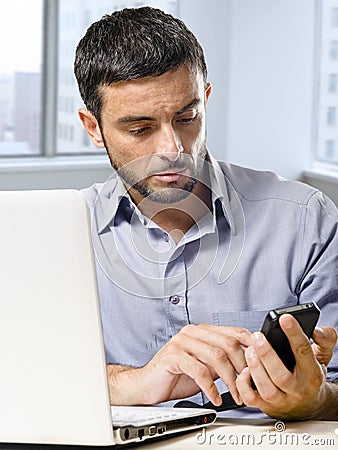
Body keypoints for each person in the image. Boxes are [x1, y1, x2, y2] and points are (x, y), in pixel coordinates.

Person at [74, 6, 338, 420]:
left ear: (205, 99)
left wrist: (315, 401)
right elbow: (23, 372)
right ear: (93, 127)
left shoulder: (306, 221)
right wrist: (139, 382)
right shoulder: (63, 233)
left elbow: (333, 390)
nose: (172, 149)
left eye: (187, 117)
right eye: (140, 129)